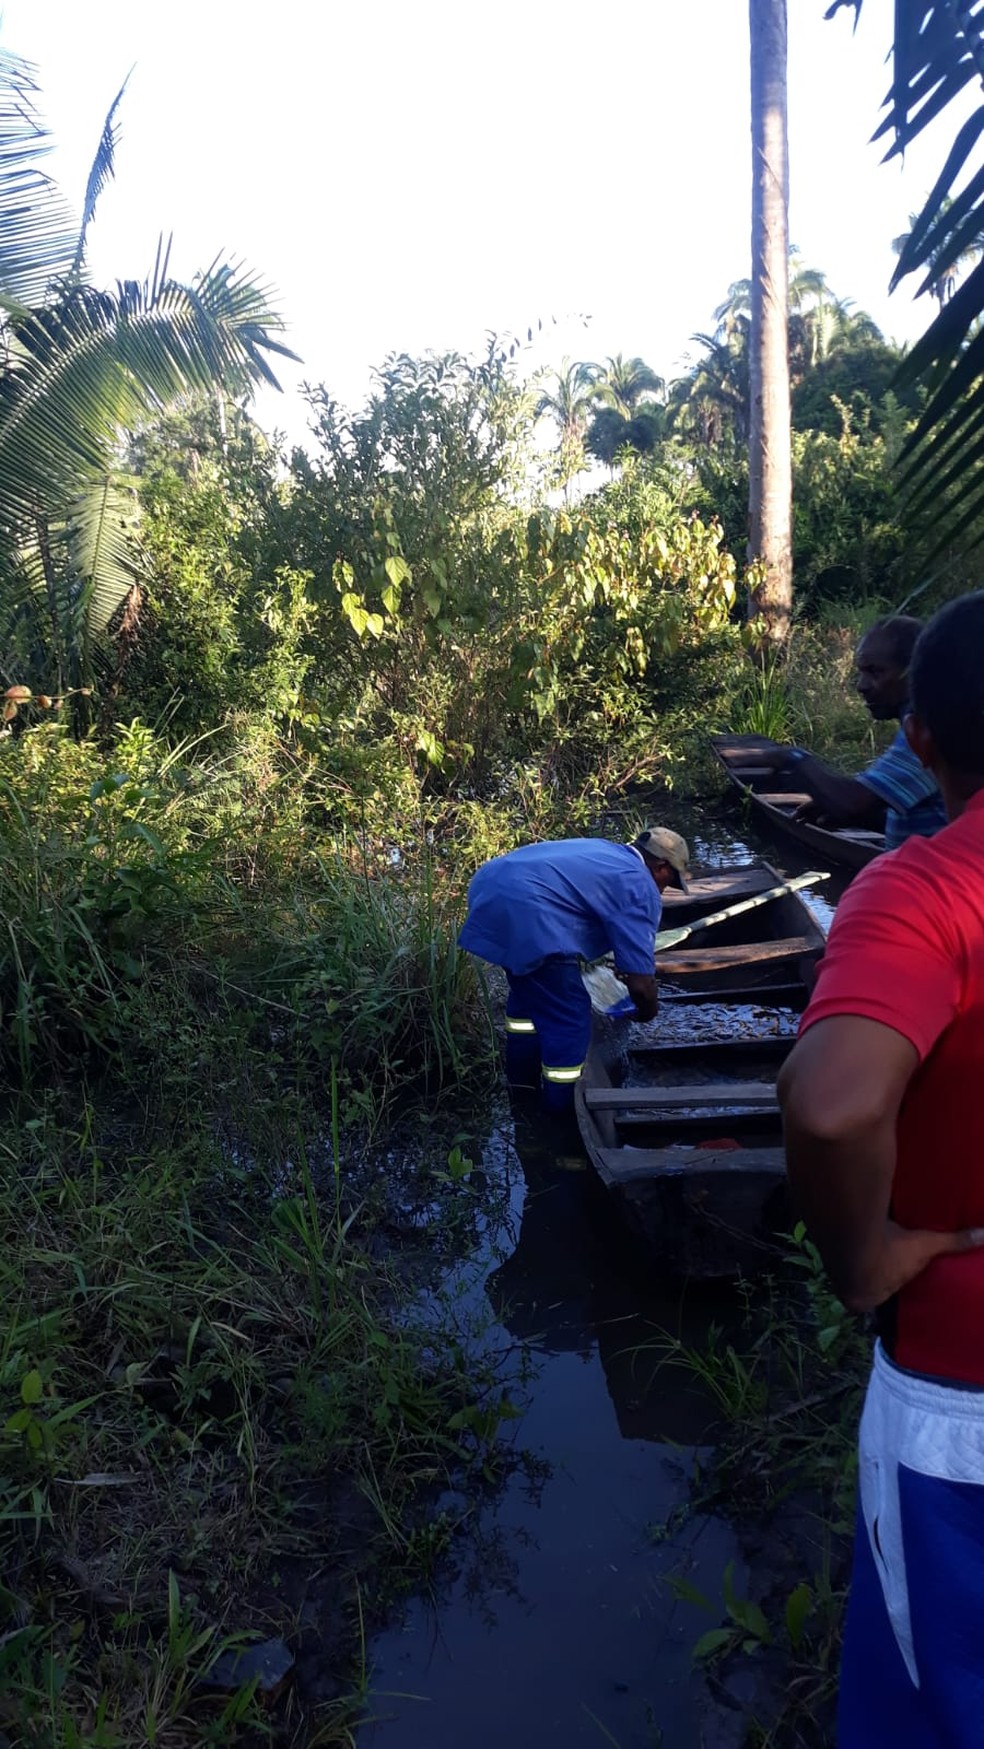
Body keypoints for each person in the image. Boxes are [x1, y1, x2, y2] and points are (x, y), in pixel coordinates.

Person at [777, 592, 984, 1749]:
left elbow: (833, 1101)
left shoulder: (923, 886)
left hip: (962, 1396)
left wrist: (863, 1261)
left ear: (922, 740)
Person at [458, 828, 690, 1111]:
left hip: (490, 886)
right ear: (661, 866)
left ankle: (521, 1092)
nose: (664, 890)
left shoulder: (607, 850)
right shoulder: (640, 884)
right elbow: (641, 983)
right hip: (528, 912)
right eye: (669, 881)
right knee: (569, 1019)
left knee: (527, 1005)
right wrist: (647, 1012)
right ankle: (562, 1114)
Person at [763, 615, 947, 850]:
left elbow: (851, 803)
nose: (861, 685)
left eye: (875, 672)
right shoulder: (924, 724)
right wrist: (860, 817)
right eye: (861, 672)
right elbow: (930, 818)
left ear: (914, 672)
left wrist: (791, 758)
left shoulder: (927, 730)